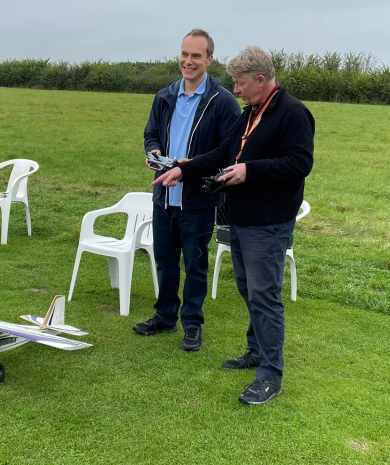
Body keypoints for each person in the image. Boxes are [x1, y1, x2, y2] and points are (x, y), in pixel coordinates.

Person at [152, 46, 314, 404]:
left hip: (269, 224)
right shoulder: (251, 113)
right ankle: (256, 350)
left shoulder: (293, 113)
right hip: (240, 219)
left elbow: (300, 163)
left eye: (241, 84)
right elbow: (222, 153)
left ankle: (270, 375)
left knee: (265, 296)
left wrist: (249, 171)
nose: (236, 91)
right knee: (247, 289)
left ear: (260, 80)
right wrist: (182, 168)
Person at [133, 28, 240, 352]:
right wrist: (153, 151)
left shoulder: (223, 103)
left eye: (196, 55)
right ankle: (165, 316)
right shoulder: (164, 96)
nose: (188, 61)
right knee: (165, 260)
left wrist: (190, 167)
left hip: (198, 199)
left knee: (194, 264)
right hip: (164, 196)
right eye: (184, 54)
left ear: (209, 59)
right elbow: (150, 133)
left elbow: (228, 152)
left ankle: (192, 324)